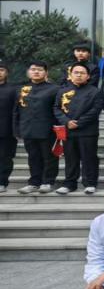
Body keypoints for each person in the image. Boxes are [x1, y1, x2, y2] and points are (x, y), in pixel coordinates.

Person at [53, 62, 103, 195]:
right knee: (70, 158)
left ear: (88, 76)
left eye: (82, 73)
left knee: (89, 157)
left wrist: (79, 123)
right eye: (76, 72)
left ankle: (90, 183)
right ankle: (70, 183)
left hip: (88, 131)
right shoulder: (62, 91)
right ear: (70, 75)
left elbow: (95, 110)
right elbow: (56, 108)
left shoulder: (95, 91)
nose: (79, 75)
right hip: (68, 130)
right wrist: (67, 122)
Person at [15, 61, 59, 194]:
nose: (36, 72)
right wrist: (16, 128)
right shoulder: (22, 89)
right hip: (27, 128)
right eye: (33, 69)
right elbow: (16, 111)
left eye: (39, 69)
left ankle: (48, 182)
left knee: (49, 157)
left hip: (48, 129)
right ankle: (34, 182)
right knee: (33, 157)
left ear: (46, 72)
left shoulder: (55, 89)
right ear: (28, 72)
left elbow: (57, 110)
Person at [0, 62, 16, 193]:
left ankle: (2, 182)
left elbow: (16, 111)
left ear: (7, 73)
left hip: (6, 131)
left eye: (1, 70)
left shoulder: (13, 90)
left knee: (5, 158)